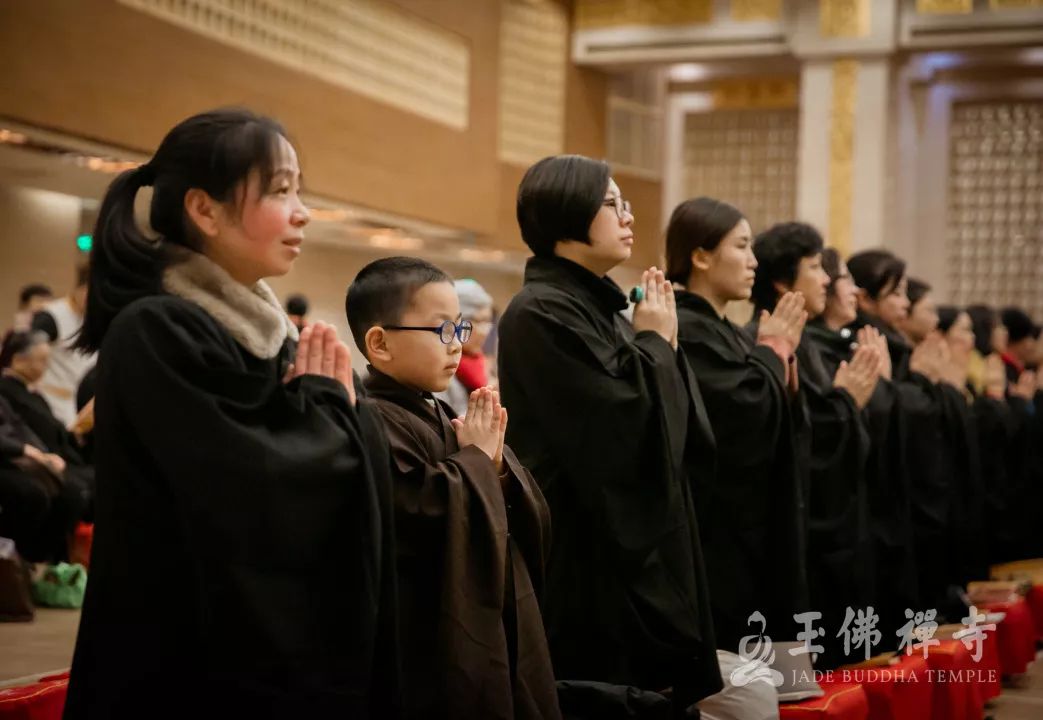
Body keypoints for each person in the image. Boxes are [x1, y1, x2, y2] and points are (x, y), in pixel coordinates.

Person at [64, 108, 398, 719]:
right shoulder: (156, 330)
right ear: (205, 210)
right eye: (279, 190)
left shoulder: (274, 340)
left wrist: (341, 411)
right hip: (175, 666)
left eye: (300, 190)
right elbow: (253, 491)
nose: (303, 211)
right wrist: (329, 407)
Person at [498, 156, 721, 717]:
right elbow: (616, 436)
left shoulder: (607, 309)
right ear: (567, 211)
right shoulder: (540, 311)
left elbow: (678, 431)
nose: (629, 217)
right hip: (587, 551)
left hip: (633, 551)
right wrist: (655, 346)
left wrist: (660, 347)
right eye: (612, 203)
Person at [346, 257, 559, 720]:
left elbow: (522, 512)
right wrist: (478, 462)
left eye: (461, 329)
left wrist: (497, 468)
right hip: (432, 641)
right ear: (380, 343)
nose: (457, 345)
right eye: (443, 330)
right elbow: (418, 515)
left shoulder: (440, 412)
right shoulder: (373, 422)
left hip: (494, 622)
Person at [663, 198, 807, 656]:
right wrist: (773, 350)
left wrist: (780, 363)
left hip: (753, 530)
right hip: (719, 537)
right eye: (741, 246)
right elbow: (741, 413)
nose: (754, 261)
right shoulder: (685, 327)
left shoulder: (720, 328)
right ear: (701, 256)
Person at [750, 224, 880, 669]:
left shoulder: (809, 347)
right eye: (814, 268)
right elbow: (797, 440)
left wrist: (847, 403)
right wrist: (845, 403)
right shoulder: (761, 343)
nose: (825, 279)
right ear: (784, 283)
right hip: (796, 540)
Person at [0, 331, 94, 514]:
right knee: (72, 490)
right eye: (42, 360)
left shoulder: (32, 392)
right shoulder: (7, 389)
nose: (46, 366)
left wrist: (78, 431)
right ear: (19, 360)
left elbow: (20, 425)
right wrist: (33, 452)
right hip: (18, 459)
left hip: (46, 455)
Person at [30, 265, 95, 427]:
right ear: (80, 289)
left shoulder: (94, 318)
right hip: (52, 402)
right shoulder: (51, 316)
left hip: (82, 404)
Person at [438, 278, 496, 417]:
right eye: (478, 321)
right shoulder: (441, 368)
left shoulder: (483, 364)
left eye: (488, 321)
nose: (484, 331)